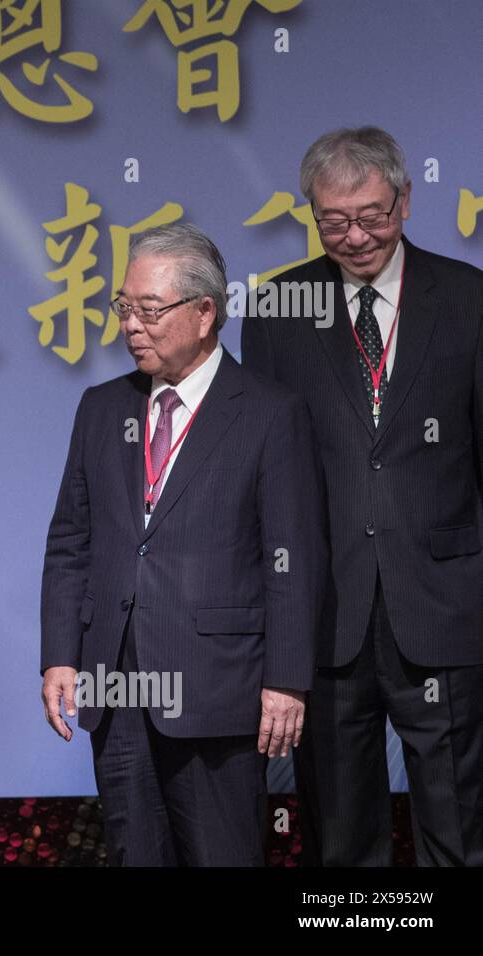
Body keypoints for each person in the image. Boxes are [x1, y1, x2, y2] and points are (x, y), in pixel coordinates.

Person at [41, 223, 326, 866]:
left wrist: (287, 680)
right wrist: (60, 654)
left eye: (149, 310)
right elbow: (70, 541)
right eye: (124, 308)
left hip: (219, 689)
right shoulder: (100, 407)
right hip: (116, 687)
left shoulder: (269, 412)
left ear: (204, 313)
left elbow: (293, 558)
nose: (131, 325)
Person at [241, 126, 483, 866]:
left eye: (373, 216)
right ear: (312, 215)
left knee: (460, 830)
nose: (355, 237)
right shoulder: (280, 307)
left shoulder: (469, 298)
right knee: (342, 839)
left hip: (445, 607)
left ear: (406, 201)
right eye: (334, 221)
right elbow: (271, 477)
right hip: (328, 616)